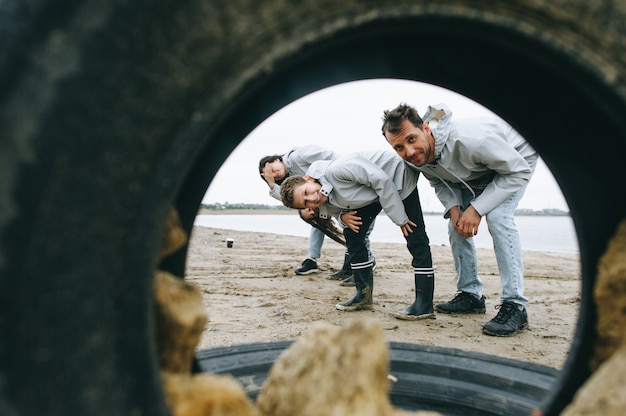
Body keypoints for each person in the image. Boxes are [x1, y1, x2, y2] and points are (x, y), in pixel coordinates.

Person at [381, 103, 538, 337]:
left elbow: (518, 171)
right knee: (456, 225)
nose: (409, 152)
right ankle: (471, 295)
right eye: (399, 147)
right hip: (475, 173)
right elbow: (438, 180)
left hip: (514, 161)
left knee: (498, 217)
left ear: (425, 128)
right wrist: (454, 208)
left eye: (412, 139)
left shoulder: (473, 140)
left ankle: (515, 305)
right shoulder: (415, 157)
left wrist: (476, 209)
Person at [280, 150, 435, 320]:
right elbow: (336, 209)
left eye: (306, 192)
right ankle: (363, 295)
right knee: (352, 234)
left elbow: (381, 181)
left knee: (414, 236)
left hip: (396, 177)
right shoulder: (321, 197)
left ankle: (424, 304)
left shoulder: (338, 170)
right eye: (306, 203)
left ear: (308, 178)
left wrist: (400, 219)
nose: (312, 199)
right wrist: (341, 217)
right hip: (373, 194)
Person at [259, 145, 373, 278]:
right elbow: (291, 202)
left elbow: (333, 158)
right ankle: (313, 259)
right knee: (315, 217)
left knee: (358, 225)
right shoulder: (290, 178)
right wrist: (272, 184)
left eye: (272, 169)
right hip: (328, 200)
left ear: (277, 159)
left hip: (345, 187)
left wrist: (347, 180)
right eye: (272, 176)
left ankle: (365, 261)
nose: (275, 174)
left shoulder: (298, 156)